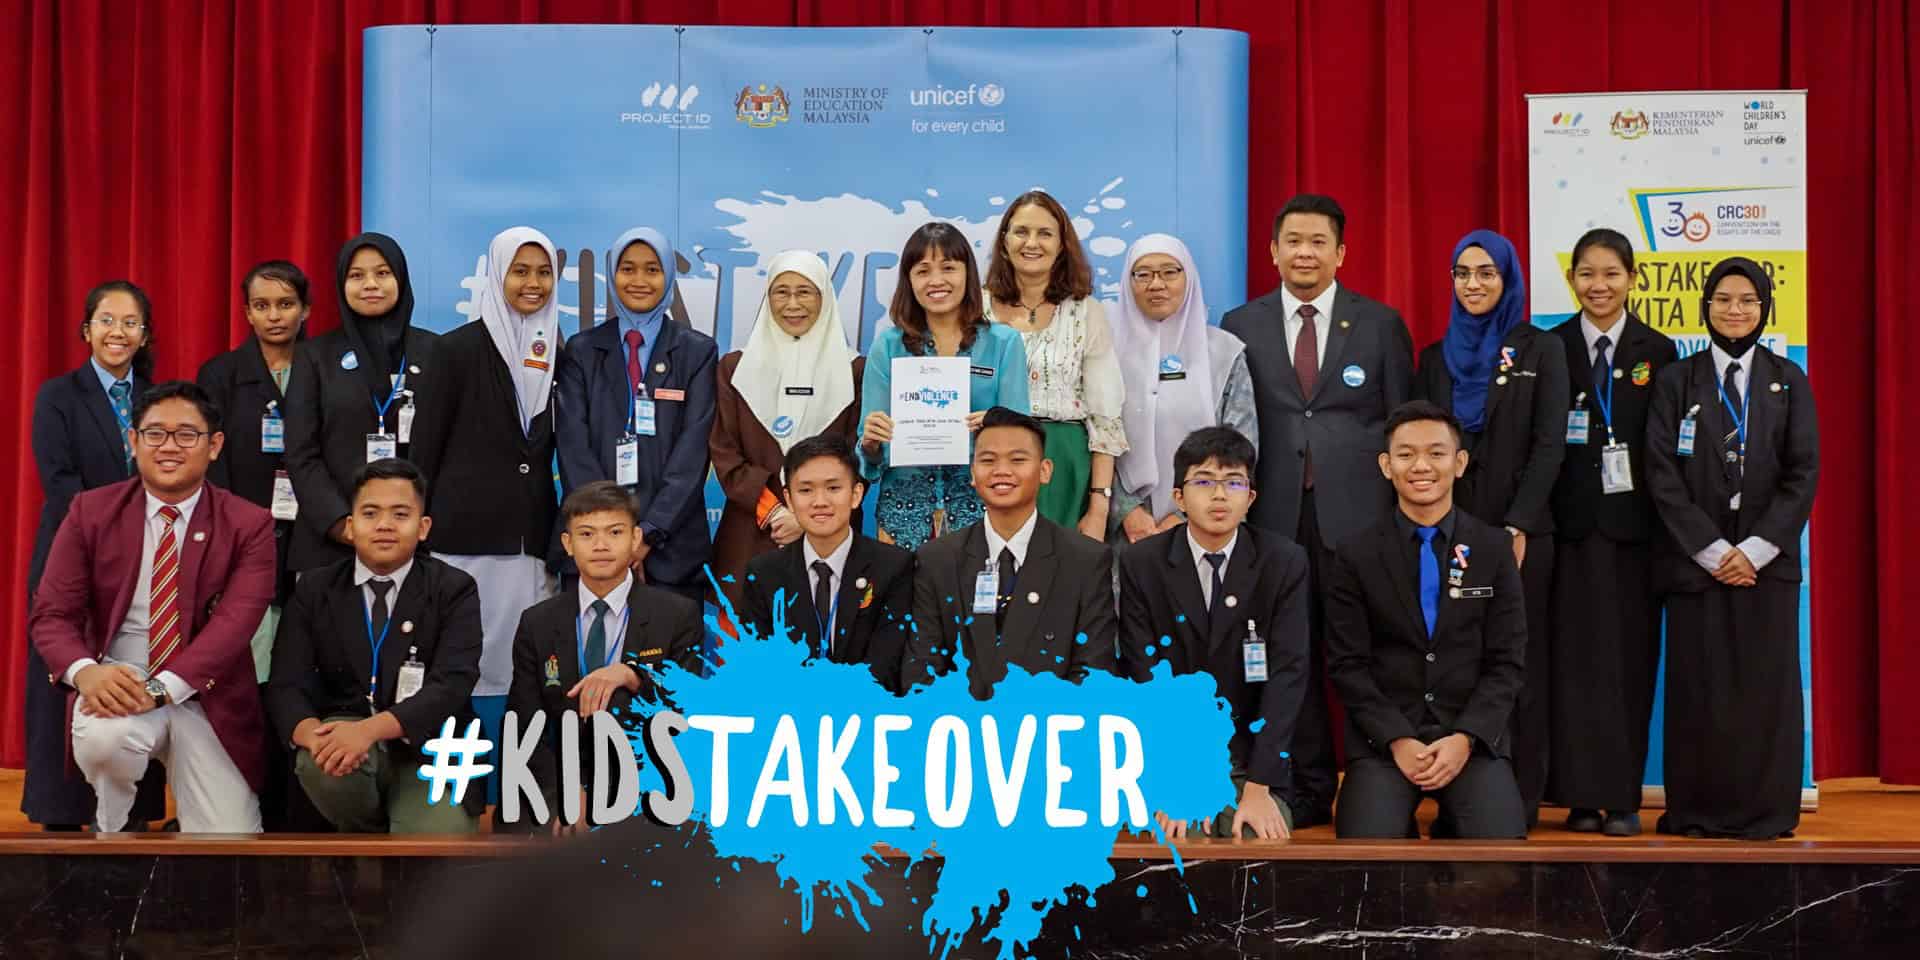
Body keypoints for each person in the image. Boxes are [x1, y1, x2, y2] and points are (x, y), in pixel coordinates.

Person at [1222, 193, 1414, 828]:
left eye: (1318, 242)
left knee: (1362, 649)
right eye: (1293, 241)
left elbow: (1402, 426)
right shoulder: (1239, 324)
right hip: (1272, 512)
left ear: (1341, 252)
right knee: (1285, 651)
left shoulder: (1381, 324)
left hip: (1358, 516)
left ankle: (1373, 780)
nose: (1305, 252)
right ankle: (1300, 785)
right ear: (1273, 251)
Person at [31, 381, 277, 832]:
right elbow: (52, 615)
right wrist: (87, 673)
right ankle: (115, 827)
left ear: (215, 445)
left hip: (206, 693)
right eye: (155, 434)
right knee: (107, 743)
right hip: (117, 679)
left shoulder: (249, 524)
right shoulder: (91, 511)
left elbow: (235, 625)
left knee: (230, 840)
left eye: (187, 435)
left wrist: (163, 689)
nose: (169, 447)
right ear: (133, 441)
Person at [1644, 257, 1817, 840]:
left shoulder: (1788, 379)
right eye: (1724, 299)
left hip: (1767, 570)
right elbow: (1660, 473)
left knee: (1765, 693)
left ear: (1765, 307)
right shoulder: (1677, 380)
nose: (1735, 310)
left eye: (1748, 300)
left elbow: (1803, 472)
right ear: (1707, 305)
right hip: (1697, 567)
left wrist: (1759, 549)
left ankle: (1768, 812)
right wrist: (1714, 551)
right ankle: (1697, 811)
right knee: (1701, 691)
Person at [1411, 229, 1568, 826]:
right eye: (1462, 273)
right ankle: (1459, 796)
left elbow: (1551, 444)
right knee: (1456, 661)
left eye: (1486, 273)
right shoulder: (1434, 358)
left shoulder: (1539, 349)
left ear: (1508, 280)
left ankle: (1519, 797)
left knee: (1517, 662)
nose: (1473, 284)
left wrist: (1518, 524)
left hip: (1520, 537)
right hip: (1449, 536)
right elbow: (1422, 449)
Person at [411, 227, 564, 801]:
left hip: (528, 542)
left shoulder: (556, 345)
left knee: (519, 672)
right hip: (462, 541)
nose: (532, 283)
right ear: (497, 275)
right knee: (462, 670)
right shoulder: (453, 350)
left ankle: (512, 797)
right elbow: (424, 448)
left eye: (542, 272)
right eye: (519, 271)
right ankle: (455, 804)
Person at [1326, 401, 1527, 839]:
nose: (1421, 466)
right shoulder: (1355, 554)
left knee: (1501, 860)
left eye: (1436, 453)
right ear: (1386, 465)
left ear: (1459, 463)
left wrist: (1466, 737)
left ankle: (1453, 819)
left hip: (1469, 741)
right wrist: (1397, 738)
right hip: (1386, 744)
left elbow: (1507, 663)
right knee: (1365, 858)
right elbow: (1347, 664)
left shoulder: (1494, 549)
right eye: (1406, 454)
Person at [267, 458, 485, 833]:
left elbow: (452, 684)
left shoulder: (454, 589)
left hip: (433, 748)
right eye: (371, 513)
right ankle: (368, 842)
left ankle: (393, 845)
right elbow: (287, 683)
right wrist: (313, 738)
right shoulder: (314, 590)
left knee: (438, 839)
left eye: (400, 514)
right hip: (345, 747)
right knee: (319, 764)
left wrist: (368, 731)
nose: (384, 525)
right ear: (350, 526)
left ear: (423, 527)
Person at [1545, 228, 1677, 837]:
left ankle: (1622, 797)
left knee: (1628, 661)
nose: (1599, 286)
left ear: (1632, 278)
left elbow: (1666, 449)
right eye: (1587, 274)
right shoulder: (1551, 346)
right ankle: (1580, 797)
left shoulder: (1660, 350)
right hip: (1567, 531)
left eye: (1611, 274)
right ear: (1572, 279)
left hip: (1635, 533)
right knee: (1572, 664)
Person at [1117, 426, 1307, 841]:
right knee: (1184, 843)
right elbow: (1146, 677)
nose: (1219, 495)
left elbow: (1288, 678)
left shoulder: (1283, 562)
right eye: (1204, 482)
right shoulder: (1142, 563)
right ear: (1180, 497)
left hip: (1251, 761)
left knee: (1259, 839)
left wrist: (1259, 787)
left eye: (1233, 482)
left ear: (1251, 497)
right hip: (1169, 757)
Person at [24, 280, 166, 829]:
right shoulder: (58, 395)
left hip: (149, 559)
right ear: (87, 329)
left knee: (134, 668)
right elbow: (62, 484)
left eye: (131, 322)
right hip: (72, 551)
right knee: (64, 674)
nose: (118, 332)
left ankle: (133, 811)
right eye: (107, 320)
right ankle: (59, 811)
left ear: (144, 333)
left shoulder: (157, 397)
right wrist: (116, 535)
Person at [196, 259, 319, 830]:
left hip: (315, 546)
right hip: (242, 549)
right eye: (263, 305)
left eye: (286, 304)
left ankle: (299, 814)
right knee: (251, 677)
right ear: (246, 312)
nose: (275, 316)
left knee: (302, 674)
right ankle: (245, 805)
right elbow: (208, 468)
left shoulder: (324, 366)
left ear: (306, 310)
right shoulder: (220, 374)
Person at [505, 481, 705, 830]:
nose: (600, 545)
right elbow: (526, 727)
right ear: (567, 544)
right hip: (561, 782)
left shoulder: (677, 615)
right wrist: (568, 795)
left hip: (647, 779)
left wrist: (634, 675)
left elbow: (684, 710)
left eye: (614, 532)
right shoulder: (538, 622)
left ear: (635, 539)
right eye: (586, 534)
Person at [555, 227, 718, 604]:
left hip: (672, 552)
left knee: (668, 662)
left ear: (668, 277)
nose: (639, 281)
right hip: (591, 550)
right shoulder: (582, 350)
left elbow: (693, 454)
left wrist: (646, 534)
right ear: (612, 276)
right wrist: (609, 535)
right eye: (628, 269)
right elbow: (573, 448)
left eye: (652, 269)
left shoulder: (697, 352)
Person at [907, 407, 1117, 698]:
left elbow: (1093, 675)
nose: (1001, 471)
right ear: (972, 473)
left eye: (1018, 460)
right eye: (988, 460)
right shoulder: (937, 560)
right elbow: (923, 672)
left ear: (1045, 471)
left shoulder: (1085, 561)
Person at [859, 222, 1031, 551]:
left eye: (949, 268)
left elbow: (1024, 439)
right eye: (923, 270)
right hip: (902, 513)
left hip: (984, 507)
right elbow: (869, 461)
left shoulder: (1003, 343)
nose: (936, 281)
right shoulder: (888, 346)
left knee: (977, 603)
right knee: (905, 603)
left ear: (968, 273)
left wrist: (995, 425)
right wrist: (870, 442)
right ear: (909, 280)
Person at [710, 251, 863, 616]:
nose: (792, 304)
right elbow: (725, 452)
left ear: (824, 299)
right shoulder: (735, 368)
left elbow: (859, 459)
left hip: (829, 538)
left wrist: (806, 516)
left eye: (805, 292)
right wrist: (777, 512)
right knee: (747, 660)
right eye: (781, 292)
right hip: (750, 537)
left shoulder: (854, 371)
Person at [283, 233, 439, 576]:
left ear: (400, 278)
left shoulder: (436, 352)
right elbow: (300, 451)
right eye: (357, 275)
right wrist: (341, 521)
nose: (370, 284)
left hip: (417, 542)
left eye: (382, 273)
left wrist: (410, 522)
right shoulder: (314, 356)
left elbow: (450, 448)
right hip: (330, 544)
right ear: (342, 284)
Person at [984, 190, 1127, 538]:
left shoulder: (1085, 311)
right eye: (1021, 232)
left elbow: (1105, 414)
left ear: (1062, 244)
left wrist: (1099, 506)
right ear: (1004, 242)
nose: (1031, 242)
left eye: (1045, 233)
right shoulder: (977, 309)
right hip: (991, 462)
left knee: (1059, 579)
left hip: (1064, 461)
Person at [1109, 234, 1259, 543]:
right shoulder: (1105, 350)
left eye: (1169, 272)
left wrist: (1184, 514)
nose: (1156, 284)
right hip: (1126, 531)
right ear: (1128, 282)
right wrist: (1127, 511)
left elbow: (1241, 443)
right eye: (1143, 274)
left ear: (1188, 278)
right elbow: (1093, 438)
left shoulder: (1223, 352)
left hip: (1205, 523)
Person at [738, 434, 915, 693]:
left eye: (833, 488)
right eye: (806, 490)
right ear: (788, 499)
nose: (820, 501)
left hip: (868, 715)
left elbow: (887, 665)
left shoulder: (894, 567)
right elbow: (758, 666)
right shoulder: (764, 574)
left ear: (856, 494)